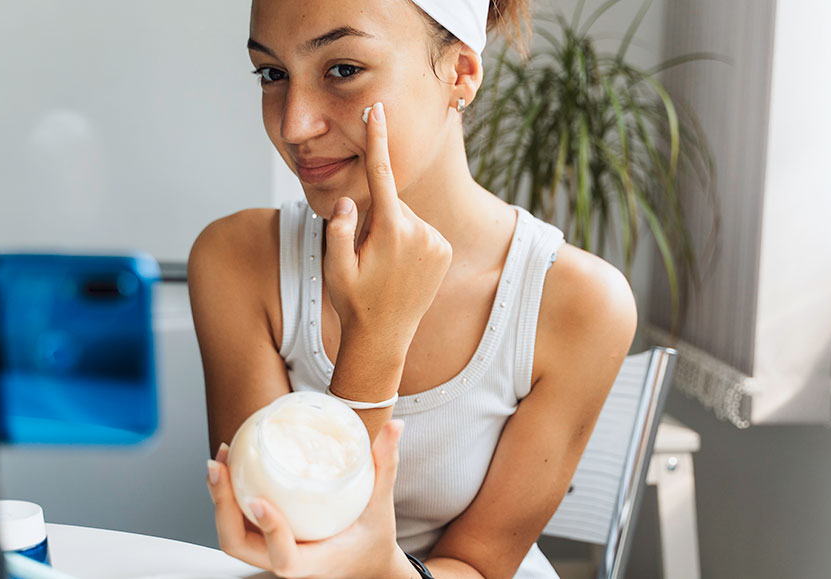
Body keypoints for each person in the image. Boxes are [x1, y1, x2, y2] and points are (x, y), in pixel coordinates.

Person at [189, 0, 638, 577]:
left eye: (343, 69)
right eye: (273, 74)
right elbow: (283, 532)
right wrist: (376, 335)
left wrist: (378, 567)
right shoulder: (237, 262)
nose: (294, 124)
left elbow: (477, 566)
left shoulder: (577, 303)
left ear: (460, 73)